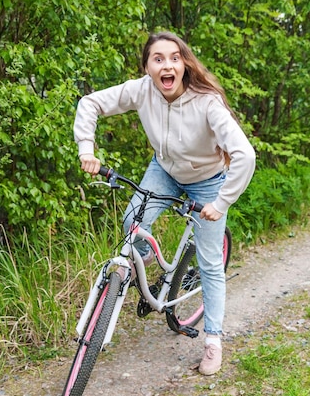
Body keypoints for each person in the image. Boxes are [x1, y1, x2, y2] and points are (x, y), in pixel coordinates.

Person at [74, 31, 256, 376]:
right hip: (165, 169)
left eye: (174, 57)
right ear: (147, 66)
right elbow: (90, 103)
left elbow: (244, 155)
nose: (167, 65)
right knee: (132, 223)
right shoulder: (141, 90)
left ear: (184, 63)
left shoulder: (207, 102)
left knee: (210, 265)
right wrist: (87, 148)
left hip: (209, 180)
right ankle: (144, 259)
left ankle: (213, 340)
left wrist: (221, 201)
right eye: (158, 59)